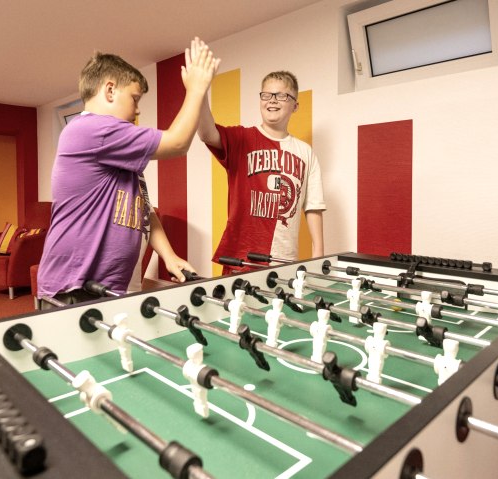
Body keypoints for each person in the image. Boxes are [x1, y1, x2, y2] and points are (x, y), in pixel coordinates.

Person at [37, 37, 220, 306]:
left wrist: (168, 256)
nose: (137, 109)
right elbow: (177, 143)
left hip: (105, 289)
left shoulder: (118, 154)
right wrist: (196, 89)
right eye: (134, 98)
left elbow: (141, 208)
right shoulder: (89, 130)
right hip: (73, 289)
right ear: (109, 90)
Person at [197, 70, 325, 274]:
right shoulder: (242, 138)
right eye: (266, 95)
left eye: (282, 95)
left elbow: (313, 205)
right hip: (240, 259)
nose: (272, 101)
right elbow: (206, 133)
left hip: (284, 261)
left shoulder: (306, 153)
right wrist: (199, 92)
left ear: (295, 106)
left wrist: (318, 253)